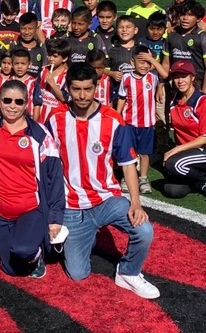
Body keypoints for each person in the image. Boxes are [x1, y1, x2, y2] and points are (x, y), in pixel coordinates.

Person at [45, 63, 159, 299]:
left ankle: (128, 272)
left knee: (144, 230)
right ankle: (88, 234)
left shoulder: (114, 120)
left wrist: (136, 203)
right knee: (78, 274)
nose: (82, 95)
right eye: (76, 89)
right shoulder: (55, 119)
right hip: (73, 206)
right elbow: (46, 162)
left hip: (107, 200)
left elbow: (128, 164)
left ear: (96, 87)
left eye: (88, 89)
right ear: (68, 88)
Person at [0, 80, 64, 279]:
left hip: (30, 209)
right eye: (7, 100)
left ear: (26, 104)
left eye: (19, 102)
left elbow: (55, 176)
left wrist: (55, 218)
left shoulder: (39, 134)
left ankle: (38, 253)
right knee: (11, 270)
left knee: (23, 251)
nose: (12, 106)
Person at [163, 60, 206, 204]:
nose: (180, 81)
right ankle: (200, 178)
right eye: (176, 77)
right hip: (190, 151)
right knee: (171, 190)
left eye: (184, 76)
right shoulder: (174, 100)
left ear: (193, 78)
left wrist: (176, 150)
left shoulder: (203, 101)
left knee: (174, 164)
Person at [116, 46, 168, 194]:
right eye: (141, 62)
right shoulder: (126, 78)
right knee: (130, 151)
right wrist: (118, 115)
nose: (145, 66)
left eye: (148, 62)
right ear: (132, 62)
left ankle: (143, 178)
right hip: (129, 123)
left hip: (147, 123)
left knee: (145, 153)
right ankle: (127, 177)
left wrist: (152, 59)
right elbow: (122, 97)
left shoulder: (153, 77)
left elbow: (165, 74)